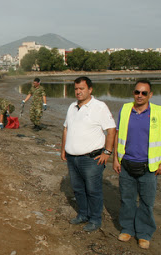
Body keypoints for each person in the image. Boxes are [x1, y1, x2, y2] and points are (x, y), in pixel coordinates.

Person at [113, 79, 161, 249]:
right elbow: (117, 135)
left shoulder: (159, 112)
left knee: (146, 202)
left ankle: (144, 234)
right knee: (127, 199)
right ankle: (127, 229)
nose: (140, 95)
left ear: (150, 95)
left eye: (144, 93)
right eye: (137, 92)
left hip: (148, 167)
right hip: (126, 164)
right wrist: (116, 159)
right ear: (133, 93)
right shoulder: (124, 110)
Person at [60, 76, 116, 232]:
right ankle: (83, 215)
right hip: (72, 158)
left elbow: (111, 130)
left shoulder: (99, 106)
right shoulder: (72, 107)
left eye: (82, 89)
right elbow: (66, 128)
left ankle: (95, 219)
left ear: (90, 89)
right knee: (78, 188)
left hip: (91, 159)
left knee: (93, 190)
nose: (78, 92)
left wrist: (107, 152)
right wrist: (63, 149)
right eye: (76, 89)